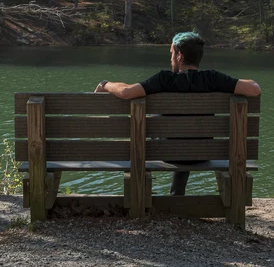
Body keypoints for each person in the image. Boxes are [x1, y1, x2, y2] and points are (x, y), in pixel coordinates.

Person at [94, 32, 261, 195]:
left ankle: (162, 196)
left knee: (162, 126)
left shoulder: (164, 79)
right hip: (203, 153)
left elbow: (125, 92)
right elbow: (254, 88)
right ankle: (177, 193)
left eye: (172, 53)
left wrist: (105, 84)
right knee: (187, 131)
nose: (170, 58)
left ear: (179, 56)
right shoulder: (213, 78)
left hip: (168, 153)